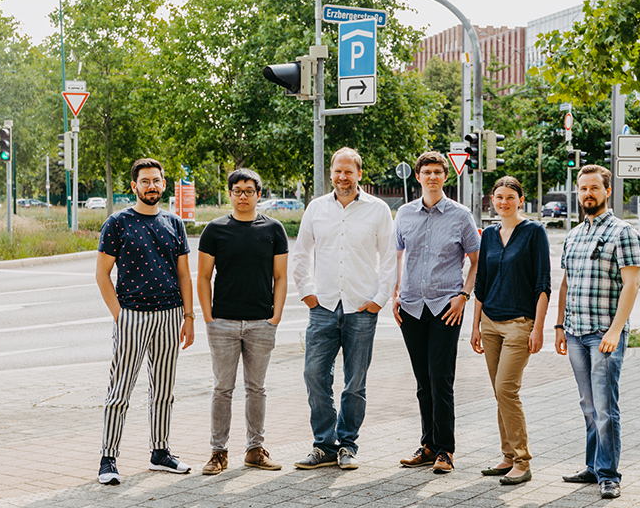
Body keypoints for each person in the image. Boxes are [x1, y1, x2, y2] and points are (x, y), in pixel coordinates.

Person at [291, 147, 397, 470]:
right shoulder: (316, 208)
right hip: (322, 306)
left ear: (359, 174)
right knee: (314, 374)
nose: (342, 177)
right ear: (332, 173)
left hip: (361, 309)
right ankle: (324, 444)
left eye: (348, 171)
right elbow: (300, 255)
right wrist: (308, 293)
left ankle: (348, 444)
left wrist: (379, 299)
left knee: (355, 382)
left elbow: (389, 258)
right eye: (337, 171)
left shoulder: (378, 211)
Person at [95, 158, 195, 485]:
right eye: (145, 181)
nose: (151, 186)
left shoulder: (174, 223)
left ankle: (160, 452)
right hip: (132, 316)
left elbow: (183, 274)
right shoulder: (118, 223)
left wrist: (188, 316)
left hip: (169, 315)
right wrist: (120, 316)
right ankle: (108, 458)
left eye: (156, 180)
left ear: (163, 184)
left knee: (164, 390)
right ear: (134, 186)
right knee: (120, 389)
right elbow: (102, 274)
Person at [555, 164, 640, 500]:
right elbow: (565, 284)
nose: (587, 194)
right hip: (575, 332)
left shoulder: (623, 232)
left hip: (604, 334)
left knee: (606, 407)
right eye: (583, 189)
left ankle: (609, 474)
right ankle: (593, 466)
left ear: (607, 191)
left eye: (594, 188)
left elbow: (632, 284)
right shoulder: (574, 234)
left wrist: (616, 331)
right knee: (588, 404)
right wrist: (560, 326)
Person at [393, 152, 479, 474]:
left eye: (437, 172)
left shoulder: (460, 215)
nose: (432, 177)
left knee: (441, 378)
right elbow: (397, 258)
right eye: (426, 172)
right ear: (418, 177)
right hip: (412, 306)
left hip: (446, 307)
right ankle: (427, 445)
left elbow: (476, 259)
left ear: (446, 176)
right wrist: (394, 294)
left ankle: (446, 449)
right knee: (421, 381)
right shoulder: (404, 214)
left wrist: (463, 296)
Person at [197, 168, 288, 475]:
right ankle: (218, 452)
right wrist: (208, 318)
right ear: (230, 194)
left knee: (257, 389)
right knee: (222, 389)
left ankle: (255, 449)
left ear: (258, 195)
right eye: (238, 191)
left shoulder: (274, 229)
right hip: (222, 322)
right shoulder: (215, 229)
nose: (243, 196)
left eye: (249, 191)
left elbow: (280, 276)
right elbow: (203, 277)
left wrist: (275, 317)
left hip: (261, 322)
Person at [471, 176, 550, 485]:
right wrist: (476, 325)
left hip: (520, 325)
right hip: (489, 323)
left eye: (509, 197)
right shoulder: (489, 235)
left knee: (507, 389)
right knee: (499, 392)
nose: (503, 202)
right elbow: (481, 282)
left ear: (521, 199)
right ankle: (507, 456)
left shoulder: (534, 233)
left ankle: (522, 459)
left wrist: (538, 329)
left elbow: (543, 283)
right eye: (498, 196)